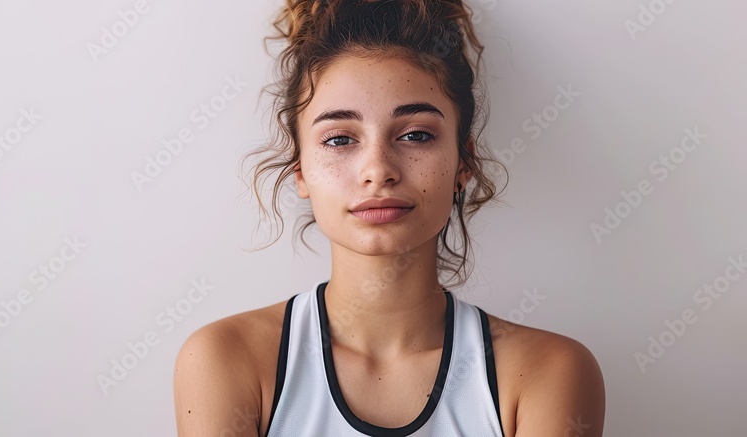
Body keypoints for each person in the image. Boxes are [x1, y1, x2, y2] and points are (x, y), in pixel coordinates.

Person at [173, 0, 605, 435]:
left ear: (463, 163)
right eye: (340, 139)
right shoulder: (226, 359)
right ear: (300, 169)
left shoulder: (546, 372)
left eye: (416, 134)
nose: (378, 169)